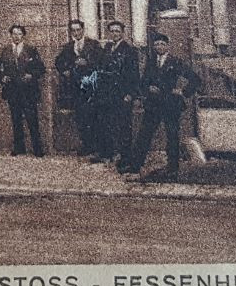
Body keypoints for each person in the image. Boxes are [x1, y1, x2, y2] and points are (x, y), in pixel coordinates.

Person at [120, 33, 202, 182]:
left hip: (170, 105)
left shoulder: (175, 62)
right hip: (153, 105)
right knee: (144, 134)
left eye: (162, 44)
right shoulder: (151, 62)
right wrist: (148, 88)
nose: (159, 47)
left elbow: (195, 79)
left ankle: (172, 169)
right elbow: (143, 81)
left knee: (172, 137)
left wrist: (182, 91)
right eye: (156, 44)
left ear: (168, 46)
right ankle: (135, 166)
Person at [53, 20, 104, 159]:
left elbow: (102, 62)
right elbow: (58, 62)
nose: (76, 33)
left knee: (93, 116)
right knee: (81, 117)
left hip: (91, 86)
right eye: (73, 30)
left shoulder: (93, 45)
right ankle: (86, 145)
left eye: (78, 30)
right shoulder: (69, 47)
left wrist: (87, 63)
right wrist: (65, 71)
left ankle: (97, 147)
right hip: (75, 88)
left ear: (83, 30)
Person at [0, 25, 46, 157]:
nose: (16, 36)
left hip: (28, 90)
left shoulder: (31, 50)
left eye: (19, 34)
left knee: (32, 119)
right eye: (14, 34)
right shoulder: (5, 50)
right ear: (10, 35)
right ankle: (19, 147)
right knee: (16, 119)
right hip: (13, 90)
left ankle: (37, 148)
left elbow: (41, 68)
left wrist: (32, 75)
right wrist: (2, 77)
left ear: (23, 35)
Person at [97, 20, 141, 166]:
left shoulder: (129, 50)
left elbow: (134, 74)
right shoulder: (107, 48)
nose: (114, 34)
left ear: (122, 32)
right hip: (107, 92)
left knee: (123, 125)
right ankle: (108, 154)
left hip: (122, 93)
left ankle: (125, 157)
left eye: (117, 31)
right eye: (112, 31)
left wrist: (130, 94)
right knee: (107, 124)